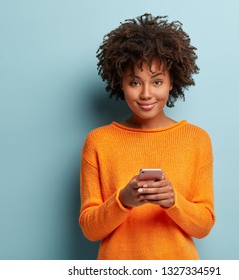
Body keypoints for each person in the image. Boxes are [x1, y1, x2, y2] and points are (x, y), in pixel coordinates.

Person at [79, 13, 215, 260]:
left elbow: (203, 226)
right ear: (120, 82)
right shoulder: (98, 142)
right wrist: (123, 200)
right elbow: (90, 229)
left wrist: (174, 201)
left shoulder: (197, 140)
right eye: (134, 82)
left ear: (172, 82)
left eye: (157, 81)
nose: (146, 94)